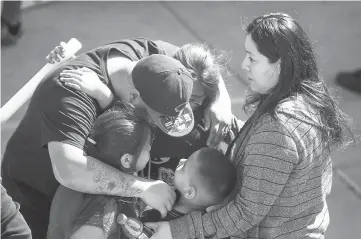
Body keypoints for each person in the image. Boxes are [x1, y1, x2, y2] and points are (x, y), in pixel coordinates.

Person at [146, 13, 354, 239]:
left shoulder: (279, 128)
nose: (244, 65)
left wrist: (175, 230)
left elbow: (246, 212)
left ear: (280, 63)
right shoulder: (305, 101)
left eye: (252, 58)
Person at [1, 38, 232, 238]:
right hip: (35, 195)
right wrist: (143, 188)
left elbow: (202, 62)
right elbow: (70, 169)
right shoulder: (70, 93)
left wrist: (222, 102)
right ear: (133, 96)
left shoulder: (158, 66)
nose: (157, 132)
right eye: (155, 120)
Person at [49, 146, 236, 239]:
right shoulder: (174, 197)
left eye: (185, 166)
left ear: (189, 192)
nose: (180, 161)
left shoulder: (179, 227)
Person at [47, 100, 153, 239]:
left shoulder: (79, 180)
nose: (150, 149)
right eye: (147, 147)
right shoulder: (104, 206)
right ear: (127, 160)